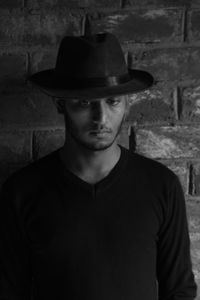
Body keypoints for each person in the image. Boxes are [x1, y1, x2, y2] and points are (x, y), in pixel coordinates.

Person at [0, 32, 197, 300]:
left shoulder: (161, 186)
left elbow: (180, 291)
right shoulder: (22, 192)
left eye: (112, 101)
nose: (101, 118)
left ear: (127, 104)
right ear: (61, 103)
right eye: (84, 102)